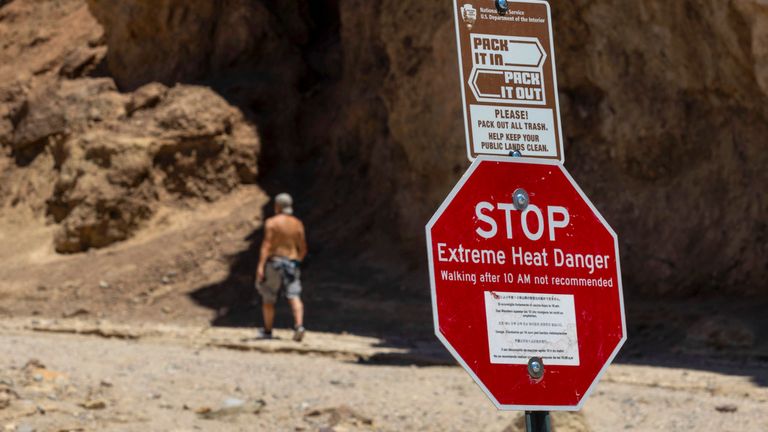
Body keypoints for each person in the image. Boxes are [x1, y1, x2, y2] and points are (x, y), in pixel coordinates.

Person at [256, 193, 308, 341]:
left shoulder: (272, 223)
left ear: (277, 206)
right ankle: (299, 326)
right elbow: (303, 248)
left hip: (274, 263)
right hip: (291, 263)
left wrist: (260, 266)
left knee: (269, 296)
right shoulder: (297, 224)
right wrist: (297, 261)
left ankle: (268, 330)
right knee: (294, 294)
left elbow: (266, 245)